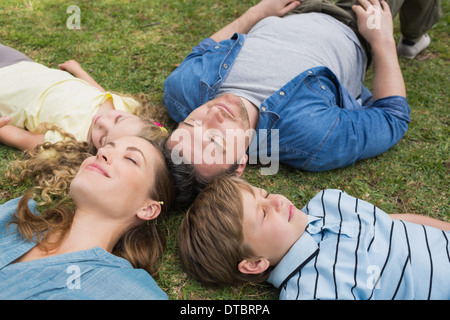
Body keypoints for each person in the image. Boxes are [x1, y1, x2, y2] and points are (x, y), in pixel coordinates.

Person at [162, 0, 440, 205]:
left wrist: (256, 13)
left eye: (191, 123)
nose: (213, 116)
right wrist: (382, 40)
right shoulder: (312, 138)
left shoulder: (180, 92)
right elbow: (392, 117)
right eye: (215, 141)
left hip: (292, 8)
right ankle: (413, 38)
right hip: (355, 18)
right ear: (240, 164)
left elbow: (204, 50)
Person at [178, 174, 450, 299]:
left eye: (264, 194)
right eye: (262, 214)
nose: (277, 201)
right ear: (253, 263)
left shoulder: (328, 202)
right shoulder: (312, 290)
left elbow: (389, 222)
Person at [0, 135, 174, 299]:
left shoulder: (128, 291)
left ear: (148, 209)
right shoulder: (14, 218)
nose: (102, 153)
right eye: (105, 147)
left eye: (130, 159)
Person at [0, 44, 167, 153]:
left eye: (103, 138)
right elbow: (99, 93)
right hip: (23, 65)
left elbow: (23, 139)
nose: (102, 122)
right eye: (118, 120)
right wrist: (79, 71)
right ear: (142, 119)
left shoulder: (70, 142)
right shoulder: (123, 107)